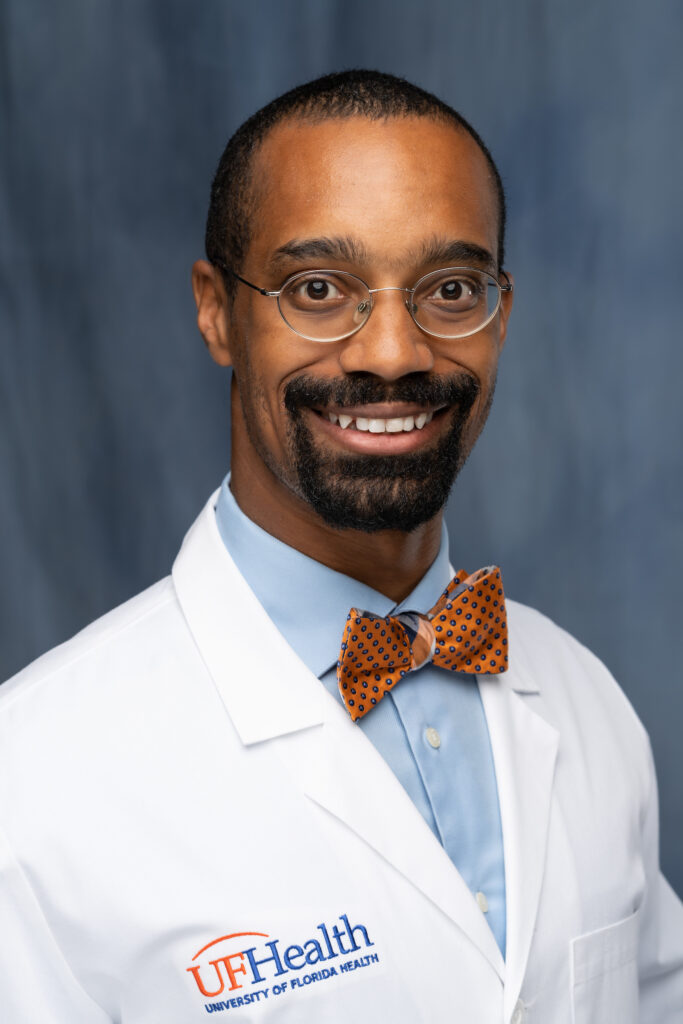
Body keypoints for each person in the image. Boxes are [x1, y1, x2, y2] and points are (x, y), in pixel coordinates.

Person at [0, 70, 681, 1024]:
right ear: (215, 311)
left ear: (501, 312)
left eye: (450, 289)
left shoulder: (586, 699)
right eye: (317, 289)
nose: (393, 353)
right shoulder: (32, 782)